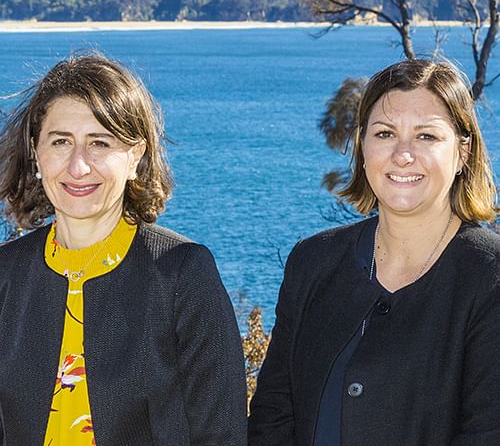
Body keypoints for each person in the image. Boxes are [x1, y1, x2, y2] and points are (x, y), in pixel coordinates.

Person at [248, 59, 500, 445]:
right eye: (384, 133)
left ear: (463, 153)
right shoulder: (312, 262)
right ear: (362, 146)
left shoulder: (489, 277)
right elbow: (272, 415)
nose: (403, 154)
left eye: (426, 137)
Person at [0, 53, 247, 446]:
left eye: (100, 143)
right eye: (61, 141)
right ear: (36, 154)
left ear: (136, 156)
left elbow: (222, 433)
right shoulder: (7, 274)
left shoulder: (181, 273)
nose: (78, 166)